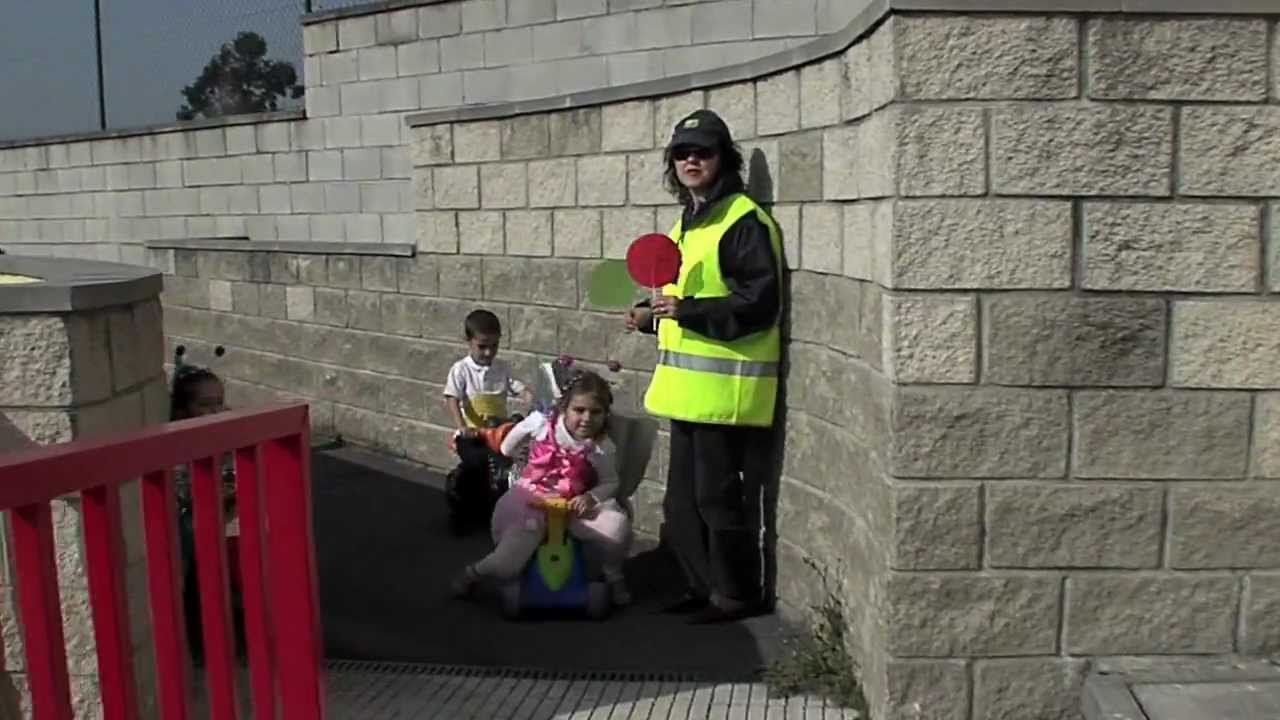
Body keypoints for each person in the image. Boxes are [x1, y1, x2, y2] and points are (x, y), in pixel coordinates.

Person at [626, 109, 783, 624]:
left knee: (717, 500)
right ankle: (701, 586)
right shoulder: (688, 224)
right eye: (682, 153)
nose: (691, 160)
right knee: (681, 504)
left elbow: (759, 302)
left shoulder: (742, 220)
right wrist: (648, 316)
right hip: (688, 392)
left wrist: (686, 310)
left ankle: (736, 596)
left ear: (723, 159)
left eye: (703, 152)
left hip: (725, 392)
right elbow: (680, 298)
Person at [451, 370, 633, 606]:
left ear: (605, 413)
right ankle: (474, 573)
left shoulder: (601, 446)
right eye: (579, 410)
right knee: (507, 564)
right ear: (564, 408)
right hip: (532, 498)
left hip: (572, 503)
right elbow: (507, 447)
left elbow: (610, 481)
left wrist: (591, 497)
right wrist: (520, 455)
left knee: (617, 527)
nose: (587, 418)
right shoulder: (542, 424)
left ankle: (613, 575)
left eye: (595, 412)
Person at [443, 309, 532, 532]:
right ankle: (460, 507)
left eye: (494, 346)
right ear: (468, 341)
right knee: (477, 464)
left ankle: (502, 507)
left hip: (498, 432)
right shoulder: (461, 369)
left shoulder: (502, 368)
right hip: (473, 434)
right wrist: (462, 427)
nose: (488, 352)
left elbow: (517, 387)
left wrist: (529, 396)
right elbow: (452, 398)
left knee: (512, 465)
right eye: (482, 346)